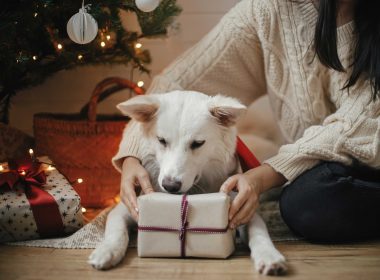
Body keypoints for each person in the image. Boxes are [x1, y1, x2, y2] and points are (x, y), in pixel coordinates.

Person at [112, 0, 380, 242]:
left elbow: (358, 123)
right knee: (306, 199)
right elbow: (173, 85)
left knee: (305, 203)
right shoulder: (268, 11)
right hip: (324, 169)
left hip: (371, 161)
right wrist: (131, 158)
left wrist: (262, 177)